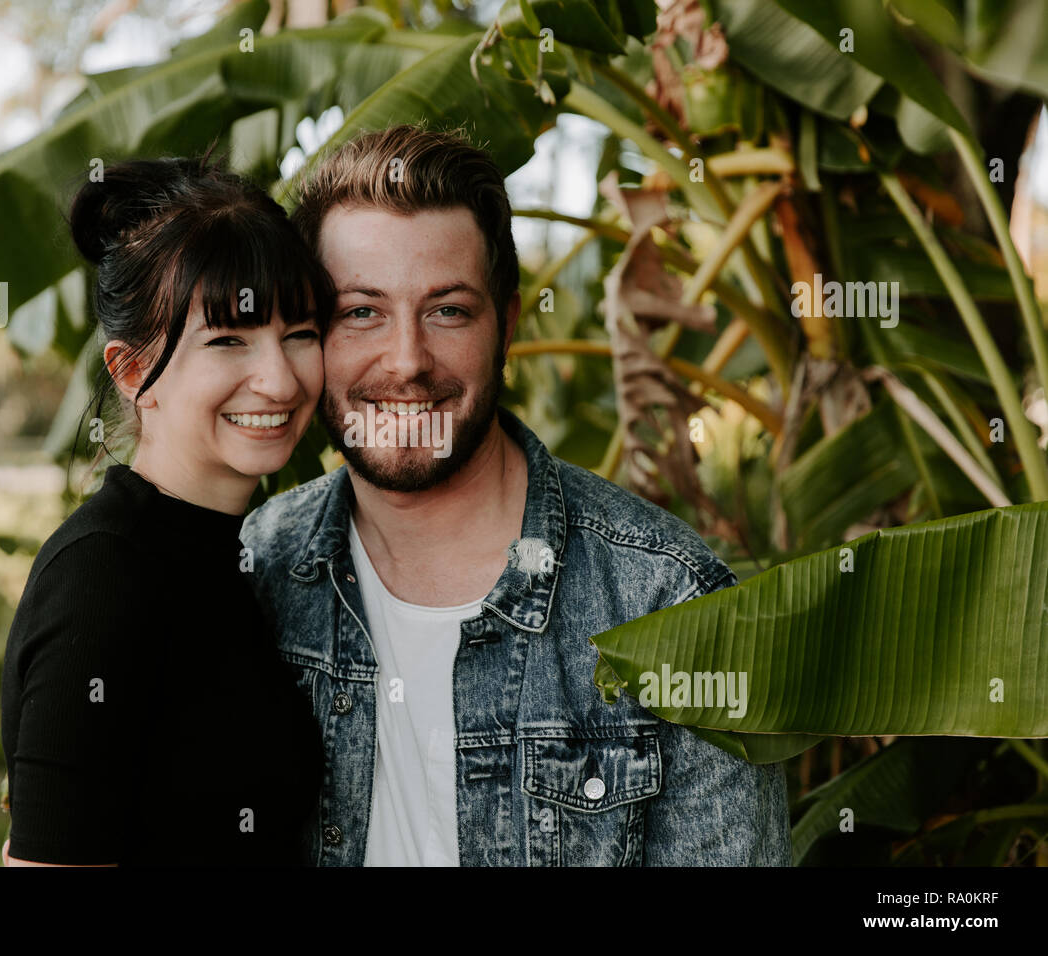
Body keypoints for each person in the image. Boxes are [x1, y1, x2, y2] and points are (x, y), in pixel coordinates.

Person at [240, 125, 792, 866]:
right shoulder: (252, 571)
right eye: (361, 312)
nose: (406, 361)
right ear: (308, 334)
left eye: (448, 311)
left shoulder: (671, 606)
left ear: (508, 323)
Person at [0, 155, 330, 866]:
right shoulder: (102, 581)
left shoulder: (237, 554)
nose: (278, 378)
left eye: (299, 332)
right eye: (228, 340)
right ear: (131, 372)